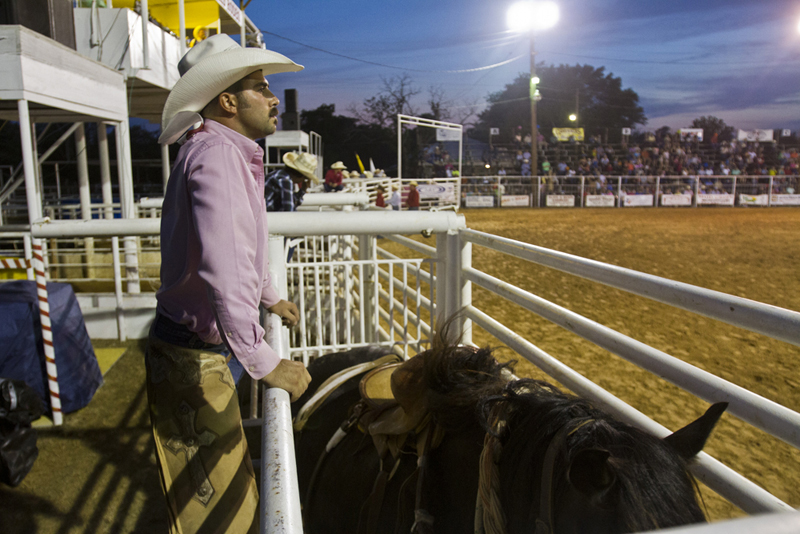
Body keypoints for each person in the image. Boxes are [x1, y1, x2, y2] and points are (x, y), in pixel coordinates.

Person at [151, 34, 311, 533]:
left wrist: (269, 296)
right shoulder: (219, 156)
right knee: (221, 514)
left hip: (199, 348)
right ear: (228, 101)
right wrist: (265, 362)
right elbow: (224, 268)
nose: (272, 98)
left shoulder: (219, 150)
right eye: (260, 87)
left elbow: (243, 246)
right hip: (195, 357)